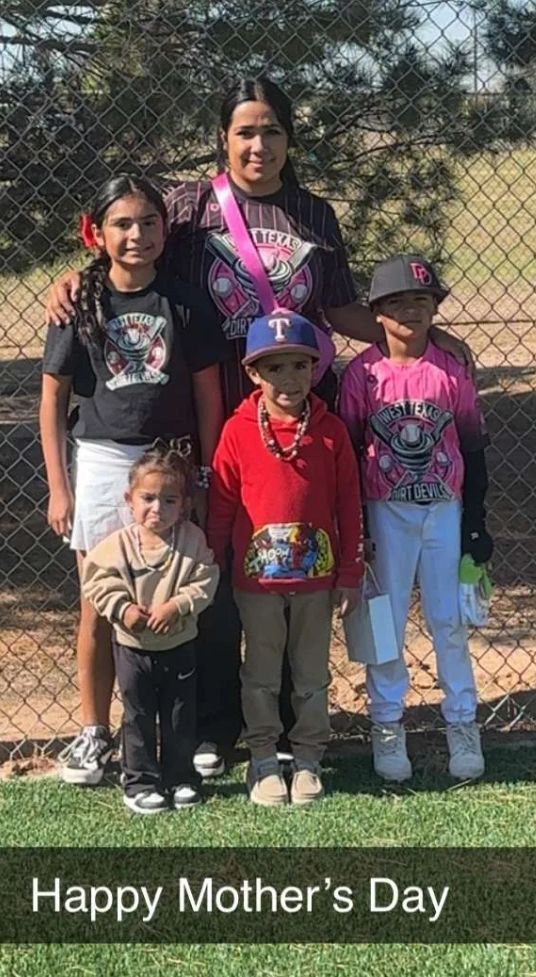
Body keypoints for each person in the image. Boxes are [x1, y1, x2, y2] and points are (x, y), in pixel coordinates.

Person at [44, 77, 473, 780]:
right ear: (223, 138)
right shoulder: (189, 208)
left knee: (294, 568)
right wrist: (76, 277)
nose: (258, 145)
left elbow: (338, 309)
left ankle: (290, 724)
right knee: (215, 566)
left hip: (300, 416)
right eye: (245, 131)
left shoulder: (313, 214)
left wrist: (423, 332)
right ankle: (218, 723)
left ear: (288, 140)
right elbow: (133, 253)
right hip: (213, 415)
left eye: (271, 131)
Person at [40, 175, 226, 786]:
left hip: (170, 460)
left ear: (164, 230)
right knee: (100, 600)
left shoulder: (186, 302)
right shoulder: (77, 304)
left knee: (176, 594)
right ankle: (96, 731)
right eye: (122, 223)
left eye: (148, 222)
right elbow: (53, 400)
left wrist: (201, 472)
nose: (137, 234)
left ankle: (182, 729)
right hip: (100, 459)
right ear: (97, 233)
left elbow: (208, 396)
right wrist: (59, 487)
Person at [339, 254, 493, 782]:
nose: (410, 310)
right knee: (385, 621)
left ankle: (462, 722)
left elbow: (472, 447)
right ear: (377, 313)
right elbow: (351, 448)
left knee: (448, 619)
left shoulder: (451, 368)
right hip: (386, 511)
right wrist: (357, 526)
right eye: (397, 302)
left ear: (435, 310)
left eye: (421, 301)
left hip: (444, 510)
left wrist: (475, 522)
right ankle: (387, 724)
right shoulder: (363, 374)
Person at [208, 311, 364, 805]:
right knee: (260, 670)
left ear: (315, 369)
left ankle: (310, 756)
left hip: (317, 581)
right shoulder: (236, 432)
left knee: (311, 671)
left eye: (300, 365)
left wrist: (349, 571)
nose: (290, 378)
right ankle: (262, 757)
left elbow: (348, 506)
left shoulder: (331, 432)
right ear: (254, 373)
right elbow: (222, 504)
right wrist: (214, 561)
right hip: (256, 584)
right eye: (275, 368)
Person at [82, 441, 219, 813]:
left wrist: (177, 605)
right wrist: (122, 609)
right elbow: (95, 580)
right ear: (130, 499)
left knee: (179, 715)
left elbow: (206, 578)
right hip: (132, 649)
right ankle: (140, 783)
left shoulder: (191, 540)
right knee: (137, 716)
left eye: (169, 500)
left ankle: (180, 778)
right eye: (148, 498)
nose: (157, 508)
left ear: (184, 504)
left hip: (179, 646)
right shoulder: (118, 545)